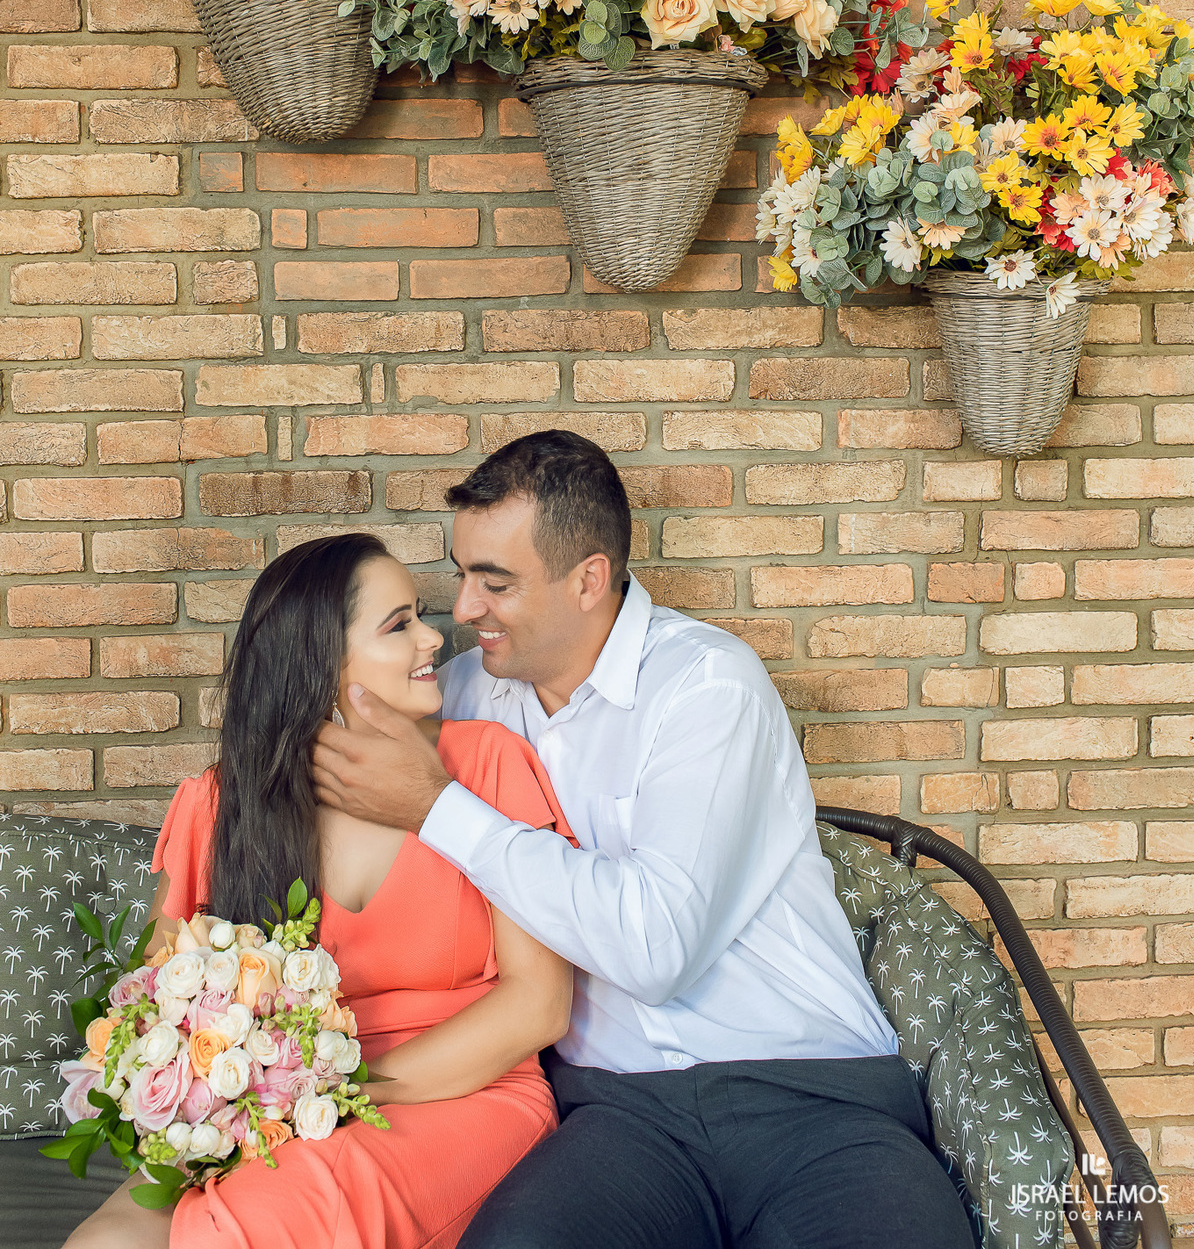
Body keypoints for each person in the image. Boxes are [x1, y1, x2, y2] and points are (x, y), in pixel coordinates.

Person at [313, 432, 975, 1249]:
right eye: (462, 574)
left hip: (812, 1100)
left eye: (496, 582)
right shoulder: (459, 699)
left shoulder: (706, 686)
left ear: (590, 578)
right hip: (619, 1119)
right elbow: (328, 747)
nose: (465, 608)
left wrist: (438, 808)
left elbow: (656, 950)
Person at [65, 532, 574, 1249]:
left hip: (467, 1095)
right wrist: (240, 1100)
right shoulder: (219, 807)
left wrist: (329, 1090)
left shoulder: (487, 765)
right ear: (320, 665)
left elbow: (540, 1005)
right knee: (110, 1241)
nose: (435, 638)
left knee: (258, 1218)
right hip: (273, 1109)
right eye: (398, 625)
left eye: (420, 614)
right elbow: (158, 1008)